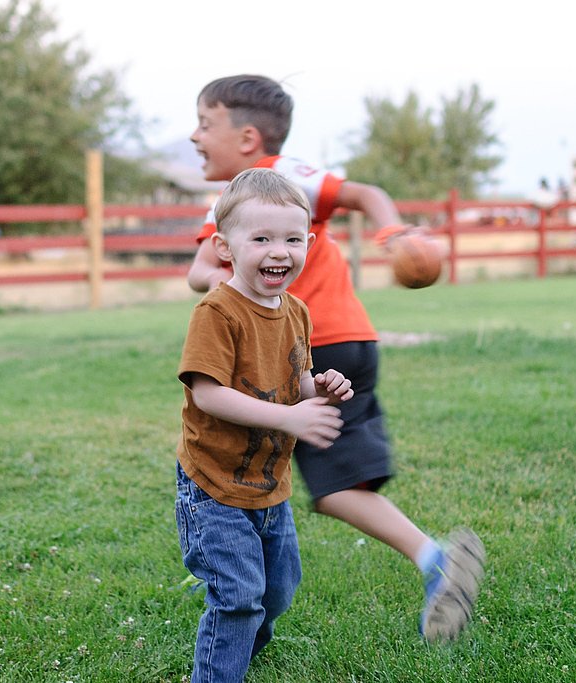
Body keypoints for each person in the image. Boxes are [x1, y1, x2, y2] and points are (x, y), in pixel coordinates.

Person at [186, 74, 485, 643]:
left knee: (289, 475)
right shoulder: (292, 179)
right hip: (355, 339)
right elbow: (366, 195)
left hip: (304, 346)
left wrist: (226, 270)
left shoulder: (250, 193)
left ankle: (431, 558)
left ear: (248, 138)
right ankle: (253, 583)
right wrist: (393, 230)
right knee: (318, 473)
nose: (195, 137)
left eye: (205, 124)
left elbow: (200, 271)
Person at [176, 167, 355, 682]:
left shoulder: (296, 311)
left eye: (292, 239)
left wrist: (320, 389)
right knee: (237, 597)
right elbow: (207, 394)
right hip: (213, 486)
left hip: (269, 485)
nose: (280, 251)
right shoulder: (217, 311)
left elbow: (296, 381)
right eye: (262, 239)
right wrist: (289, 416)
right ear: (224, 247)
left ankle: (236, 647)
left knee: (274, 593)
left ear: (310, 244)